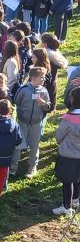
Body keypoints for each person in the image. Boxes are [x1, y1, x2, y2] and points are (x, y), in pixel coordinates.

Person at [10, 67, 51, 178]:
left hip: (36, 124)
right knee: (18, 145)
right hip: (23, 122)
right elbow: (16, 102)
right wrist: (21, 114)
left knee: (34, 146)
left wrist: (43, 103)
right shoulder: (24, 89)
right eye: (41, 77)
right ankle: (13, 168)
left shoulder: (44, 91)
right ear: (33, 78)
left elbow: (48, 107)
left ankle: (32, 168)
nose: (44, 79)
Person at [52, 87, 80, 217]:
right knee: (78, 179)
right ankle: (76, 200)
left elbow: (59, 137)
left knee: (67, 181)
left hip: (68, 155)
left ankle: (66, 206)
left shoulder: (69, 117)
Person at [41, 33, 68, 112]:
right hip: (53, 79)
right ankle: (52, 107)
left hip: (46, 79)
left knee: (48, 93)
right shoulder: (55, 53)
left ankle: (48, 108)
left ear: (45, 44)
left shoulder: (46, 55)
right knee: (52, 91)